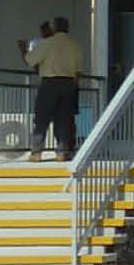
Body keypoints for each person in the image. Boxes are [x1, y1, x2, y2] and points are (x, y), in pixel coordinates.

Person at [19, 15, 83, 160]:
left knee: (42, 117)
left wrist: (23, 49)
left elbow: (30, 60)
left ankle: (36, 153)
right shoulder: (74, 45)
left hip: (50, 82)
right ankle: (62, 152)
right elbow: (78, 71)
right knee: (64, 118)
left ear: (54, 27)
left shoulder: (48, 43)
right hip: (69, 83)